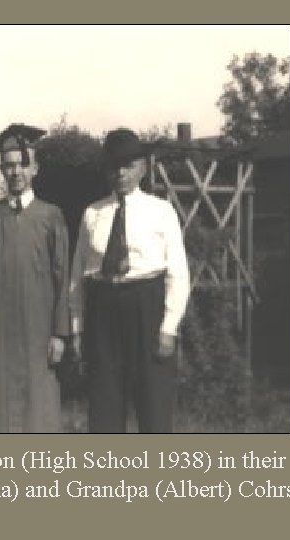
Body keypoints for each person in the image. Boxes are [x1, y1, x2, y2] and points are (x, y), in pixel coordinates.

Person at [69, 128, 190, 433]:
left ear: (143, 168)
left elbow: (178, 273)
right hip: (103, 308)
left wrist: (168, 328)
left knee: (154, 407)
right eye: (114, 166)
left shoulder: (161, 211)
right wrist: (77, 328)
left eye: (128, 166)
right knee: (105, 407)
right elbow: (77, 277)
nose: (120, 173)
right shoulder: (92, 213)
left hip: (146, 306)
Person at [0, 124, 70, 433]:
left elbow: (62, 277)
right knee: (1, 410)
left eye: (23, 164)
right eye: (8, 165)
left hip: (40, 330)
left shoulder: (51, 216)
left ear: (35, 168)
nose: (16, 172)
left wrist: (60, 333)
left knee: (40, 410)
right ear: (0, 170)